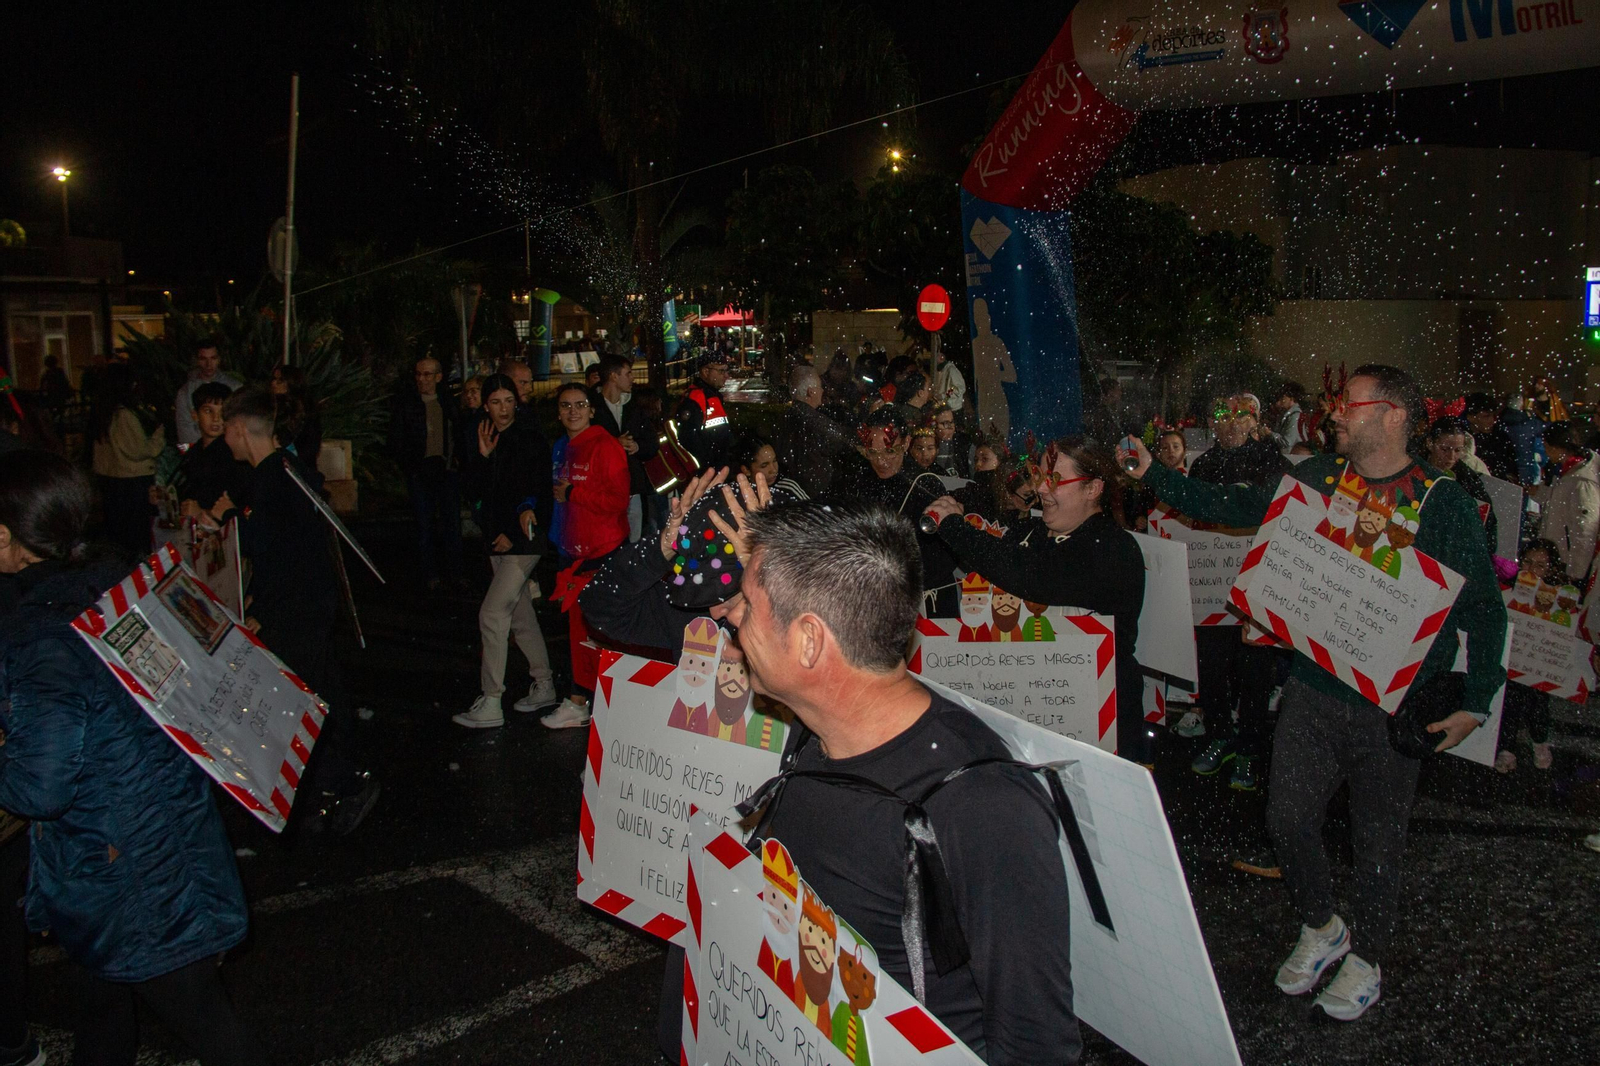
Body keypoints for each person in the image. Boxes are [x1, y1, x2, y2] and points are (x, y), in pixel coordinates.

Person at [1120, 364, 1506, 1021]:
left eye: (1351, 405)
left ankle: (1369, 959)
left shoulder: (1442, 502)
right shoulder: (1318, 478)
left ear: (1391, 415)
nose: (1336, 415)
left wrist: (1476, 702)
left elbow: (1485, 612)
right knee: (1286, 818)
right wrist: (1152, 473)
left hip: (1393, 706)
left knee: (1378, 843)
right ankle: (1323, 924)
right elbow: (1236, 506)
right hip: (1311, 689)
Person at [719, 501, 1079, 1065]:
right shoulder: (816, 738)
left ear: (810, 641)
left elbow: (1036, 1046)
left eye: (749, 605)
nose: (733, 618)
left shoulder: (979, 805)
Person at [0, 455, 268, 1065]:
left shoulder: (44, 640)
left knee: (202, 1019)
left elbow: (38, 787)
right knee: (103, 1004)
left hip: (122, 865)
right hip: (163, 825)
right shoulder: (122, 583)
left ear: (9, 538)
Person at [213, 387, 379, 834]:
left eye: (226, 431)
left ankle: (332, 785)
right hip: (309, 603)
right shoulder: (288, 469)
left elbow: (274, 553)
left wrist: (229, 519)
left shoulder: (271, 480)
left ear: (238, 429)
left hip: (296, 609)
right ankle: (341, 780)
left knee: (301, 700)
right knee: (322, 691)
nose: (224, 440)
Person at [927, 438, 1151, 765]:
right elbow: (1003, 558)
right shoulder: (1037, 533)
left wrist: (956, 529)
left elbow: (1031, 576)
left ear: (1093, 489)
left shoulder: (1113, 548)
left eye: (1056, 480)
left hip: (1102, 721)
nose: (1042, 489)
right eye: (1039, 476)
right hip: (1046, 712)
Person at [1183, 394, 1291, 785]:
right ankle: (1218, 737)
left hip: (1254, 591)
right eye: (1221, 415)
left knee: (1256, 674)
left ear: (1255, 421)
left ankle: (1248, 747)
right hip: (1211, 588)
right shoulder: (1204, 464)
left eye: (1239, 415)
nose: (1228, 423)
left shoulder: (1274, 464)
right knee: (1211, 670)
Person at [454, 375, 557, 729]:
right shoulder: (483, 435)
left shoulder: (529, 438)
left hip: (522, 542)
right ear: (485, 405)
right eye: (495, 401)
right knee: (519, 616)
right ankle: (544, 684)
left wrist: (512, 534)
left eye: (508, 400)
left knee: (492, 613)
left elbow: (537, 491)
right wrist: (483, 458)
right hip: (498, 540)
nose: (503, 408)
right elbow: (478, 492)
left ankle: (493, 700)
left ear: (517, 402)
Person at [543, 383, 631, 729]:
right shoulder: (561, 446)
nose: (573, 411)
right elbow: (557, 500)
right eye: (566, 406)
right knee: (579, 632)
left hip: (602, 553)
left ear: (592, 410)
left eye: (580, 404)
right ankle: (584, 700)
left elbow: (617, 501)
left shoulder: (605, 446)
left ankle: (595, 703)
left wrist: (576, 493)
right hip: (571, 553)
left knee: (600, 632)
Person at [388, 357, 464, 592]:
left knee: (451, 525)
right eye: (419, 375)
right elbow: (397, 440)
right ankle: (431, 575)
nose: (422, 379)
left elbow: (458, 434)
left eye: (427, 375)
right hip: (420, 473)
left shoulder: (448, 403)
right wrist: (412, 466)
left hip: (446, 472)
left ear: (438, 377)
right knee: (425, 527)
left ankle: (456, 573)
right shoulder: (407, 405)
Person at [1496, 539, 1561, 773]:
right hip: (1512, 660)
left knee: (1538, 704)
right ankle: (1506, 747)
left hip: (1538, 664)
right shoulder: (1507, 588)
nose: (1531, 570)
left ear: (1551, 569)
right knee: (1510, 702)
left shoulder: (1558, 599)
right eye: (1527, 562)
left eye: (1540, 566)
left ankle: (1540, 741)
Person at [90, 363, 166, 562]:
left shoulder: (102, 413)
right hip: (132, 482)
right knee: (136, 538)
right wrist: (158, 437)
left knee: (117, 535)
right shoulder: (123, 415)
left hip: (110, 480)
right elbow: (138, 451)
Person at [591, 354, 663, 543]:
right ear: (614, 376)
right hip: (603, 489)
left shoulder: (634, 406)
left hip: (633, 487)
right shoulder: (590, 406)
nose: (632, 378)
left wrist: (637, 446)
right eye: (628, 373)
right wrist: (614, 444)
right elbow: (582, 445)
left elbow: (651, 442)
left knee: (634, 538)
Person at [1423, 416, 1500, 558]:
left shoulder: (1469, 482)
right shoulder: (1411, 467)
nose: (1451, 456)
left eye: (1458, 450)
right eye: (1445, 449)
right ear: (1429, 443)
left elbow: (1487, 530)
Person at [1532, 422, 1599, 583]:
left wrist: (1575, 574)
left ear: (1555, 448)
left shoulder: (1583, 481)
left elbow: (1585, 530)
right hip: (1557, 557)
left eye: (1546, 447)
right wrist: (1540, 493)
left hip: (1567, 564)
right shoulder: (1569, 470)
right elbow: (1561, 501)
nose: (1546, 453)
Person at [776, 365, 855, 497]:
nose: (822, 390)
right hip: (813, 495)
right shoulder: (814, 421)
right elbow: (844, 441)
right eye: (819, 386)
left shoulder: (785, 416)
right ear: (811, 392)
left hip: (792, 488)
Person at [172, 381, 245, 515]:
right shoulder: (194, 453)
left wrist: (201, 513)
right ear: (195, 415)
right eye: (208, 411)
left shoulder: (234, 455)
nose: (216, 418)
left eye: (221, 412)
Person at [1464, 393, 1543, 486]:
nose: (1492, 421)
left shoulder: (1500, 437)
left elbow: (1511, 464)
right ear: (1471, 417)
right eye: (1486, 416)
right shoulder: (1462, 440)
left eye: (1493, 416)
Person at [173, 338, 242, 446]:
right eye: (203, 359)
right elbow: (184, 430)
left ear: (219, 359)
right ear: (197, 360)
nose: (208, 364)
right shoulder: (185, 392)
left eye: (213, 358)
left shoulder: (235, 387)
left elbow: (241, 423)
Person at [675, 351, 734, 470]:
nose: (726, 375)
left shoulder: (712, 395)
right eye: (721, 371)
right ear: (706, 371)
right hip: (707, 471)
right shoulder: (695, 398)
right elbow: (687, 438)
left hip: (715, 467)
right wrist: (709, 465)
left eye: (726, 371)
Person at [269, 364, 322, 463]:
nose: (273, 383)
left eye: (280, 380)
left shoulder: (307, 409)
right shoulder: (271, 406)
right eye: (273, 379)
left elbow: (310, 445)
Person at [738, 436, 807, 500]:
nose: (773, 470)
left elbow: (813, 511)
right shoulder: (737, 494)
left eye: (774, 461)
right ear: (746, 470)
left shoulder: (788, 489)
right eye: (764, 466)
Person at [930, 404, 973, 479]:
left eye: (952, 422)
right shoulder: (928, 446)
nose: (951, 427)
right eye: (945, 423)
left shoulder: (964, 443)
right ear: (933, 426)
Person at [1269, 382, 1308, 454]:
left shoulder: (1295, 416)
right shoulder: (1289, 415)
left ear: (1291, 399)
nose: (1281, 400)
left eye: (1283, 397)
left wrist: (1270, 434)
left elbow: (1287, 442)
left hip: (1293, 457)